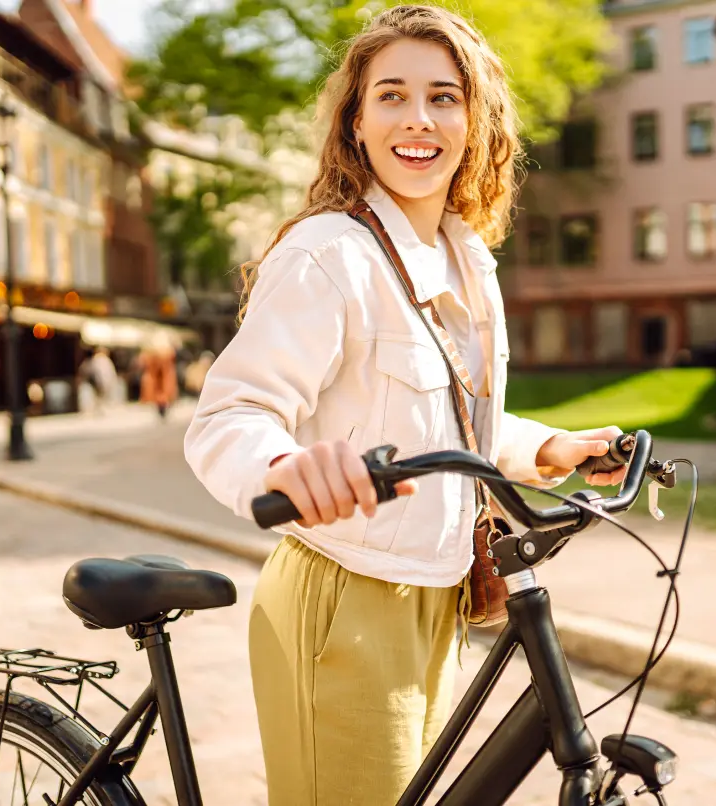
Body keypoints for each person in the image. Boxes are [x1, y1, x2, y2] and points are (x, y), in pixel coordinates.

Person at [184, 6, 628, 803]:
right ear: (356, 123)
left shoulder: (465, 260)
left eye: (443, 97)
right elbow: (228, 418)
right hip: (345, 600)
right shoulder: (330, 254)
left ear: (475, 120)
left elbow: (453, 423)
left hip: (436, 599)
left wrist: (547, 449)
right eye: (391, 96)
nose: (417, 120)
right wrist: (285, 466)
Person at [138, 333, 178, 421]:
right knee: (163, 395)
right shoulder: (167, 352)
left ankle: (162, 410)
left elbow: (144, 363)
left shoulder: (152, 352)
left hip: (159, 379)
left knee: (160, 395)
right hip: (162, 378)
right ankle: (163, 410)